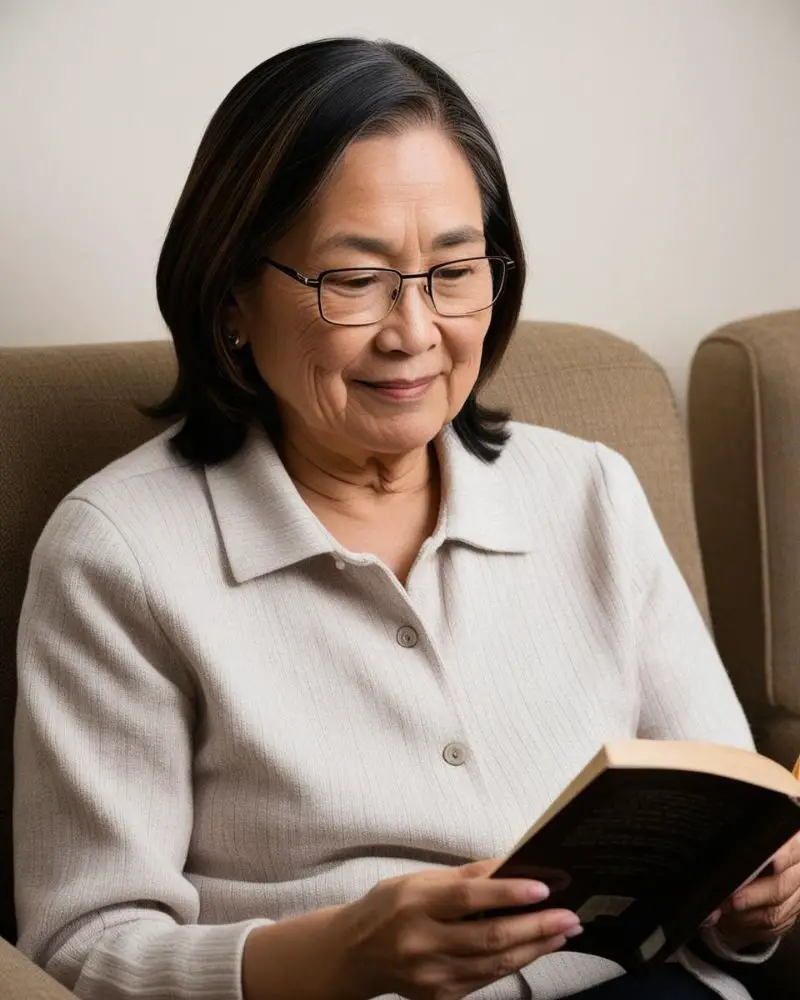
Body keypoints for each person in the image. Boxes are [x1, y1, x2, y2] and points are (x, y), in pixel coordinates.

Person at [13, 38, 800, 1000]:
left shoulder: (590, 491)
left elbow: (723, 828)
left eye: (455, 269)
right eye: (355, 279)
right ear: (232, 300)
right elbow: (80, 952)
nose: (415, 331)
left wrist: (750, 900)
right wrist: (344, 955)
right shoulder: (120, 551)